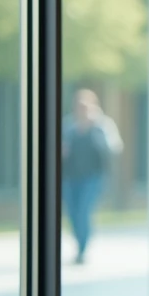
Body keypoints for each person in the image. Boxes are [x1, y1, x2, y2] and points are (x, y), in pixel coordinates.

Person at [61, 88, 123, 265]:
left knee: (84, 212)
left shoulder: (102, 126)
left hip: (93, 177)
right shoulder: (68, 126)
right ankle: (79, 243)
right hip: (70, 178)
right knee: (73, 213)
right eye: (78, 106)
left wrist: (98, 135)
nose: (81, 110)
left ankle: (82, 248)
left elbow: (115, 148)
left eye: (85, 106)